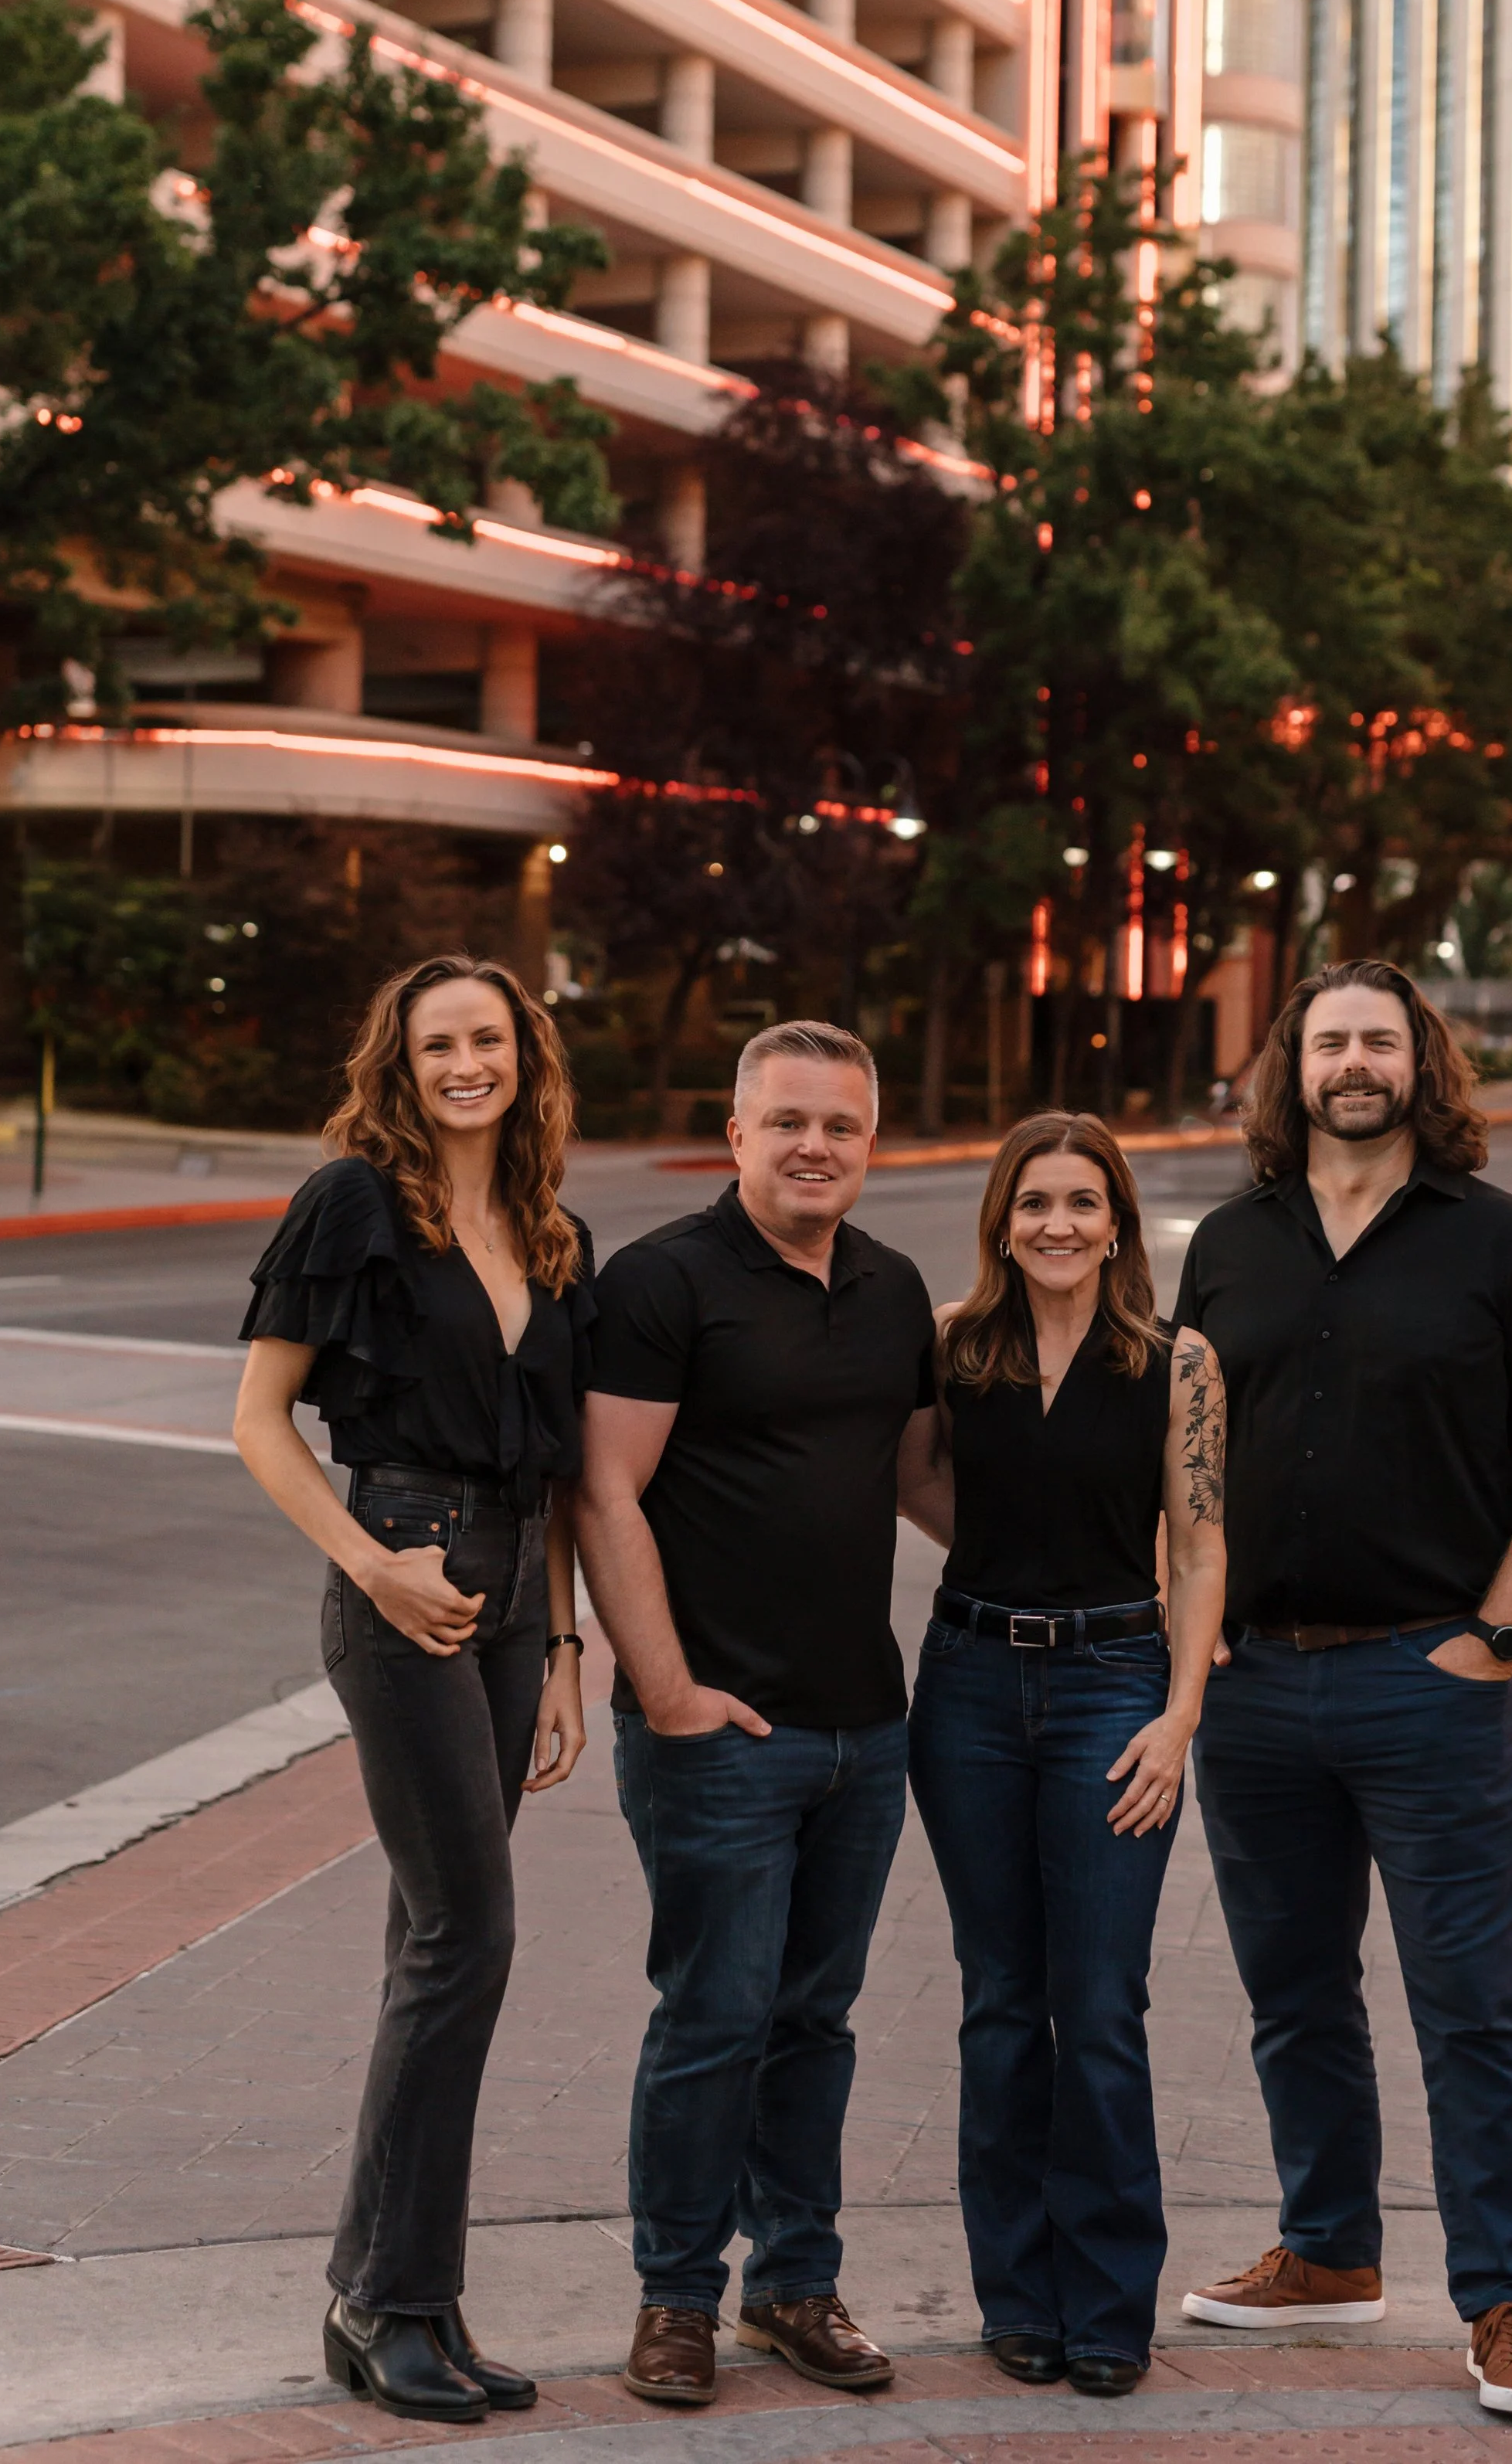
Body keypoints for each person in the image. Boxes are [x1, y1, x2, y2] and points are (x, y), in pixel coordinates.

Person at [1175, 960, 1512, 2425]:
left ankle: (1507, 2300)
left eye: (1379, 1039)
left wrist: (1495, 1638)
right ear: (1291, 1069)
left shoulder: (1504, 1242)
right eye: (1329, 1042)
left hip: (1432, 1682)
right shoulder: (1231, 1242)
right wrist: (1191, 1626)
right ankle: (1328, 2250)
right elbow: (1184, 1456)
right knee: (1294, 1989)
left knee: (1471, 2000)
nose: (1353, 1062)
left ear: (1421, 1061)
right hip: (1254, 1687)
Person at [233, 953, 594, 2425]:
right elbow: (260, 1419)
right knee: (465, 1936)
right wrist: (373, 1566)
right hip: (405, 1579)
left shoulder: (551, 1229)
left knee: (433, 1946)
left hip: (510, 1597)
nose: (465, 1064)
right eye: (439, 1042)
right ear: (402, 1059)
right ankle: (381, 2296)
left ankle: (414, 2301)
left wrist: (561, 1646)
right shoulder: (354, 1203)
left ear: (525, 1056)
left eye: (487, 1039)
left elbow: (555, 1472)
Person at [576, 1020, 950, 2409]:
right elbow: (604, 1490)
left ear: (871, 1142)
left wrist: (1091, 1574)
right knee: (714, 2016)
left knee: (815, 2019)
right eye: (787, 1120)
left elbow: (918, 1482)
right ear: (736, 1133)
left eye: (840, 1124)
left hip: (866, 1726)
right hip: (718, 1732)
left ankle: (794, 2281)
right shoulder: (664, 1280)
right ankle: (675, 2294)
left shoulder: (894, 1288)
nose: (813, 1145)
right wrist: (668, 1691)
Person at [909, 1113, 1228, 2396]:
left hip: (1115, 1689)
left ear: (1117, 1223)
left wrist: (1179, 1712)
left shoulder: (1177, 1360)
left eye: (1082, 1202)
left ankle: (1106, 2305)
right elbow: (913, 1481)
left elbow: (1198, 1547)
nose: (1056, 1223)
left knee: (1097, 2005)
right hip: (970, 1686)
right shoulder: (950, 1345)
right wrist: (1014, 1545)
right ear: (1001, 1219)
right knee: (1000, 2000)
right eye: (1033, 1201)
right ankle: (1016, 2296)